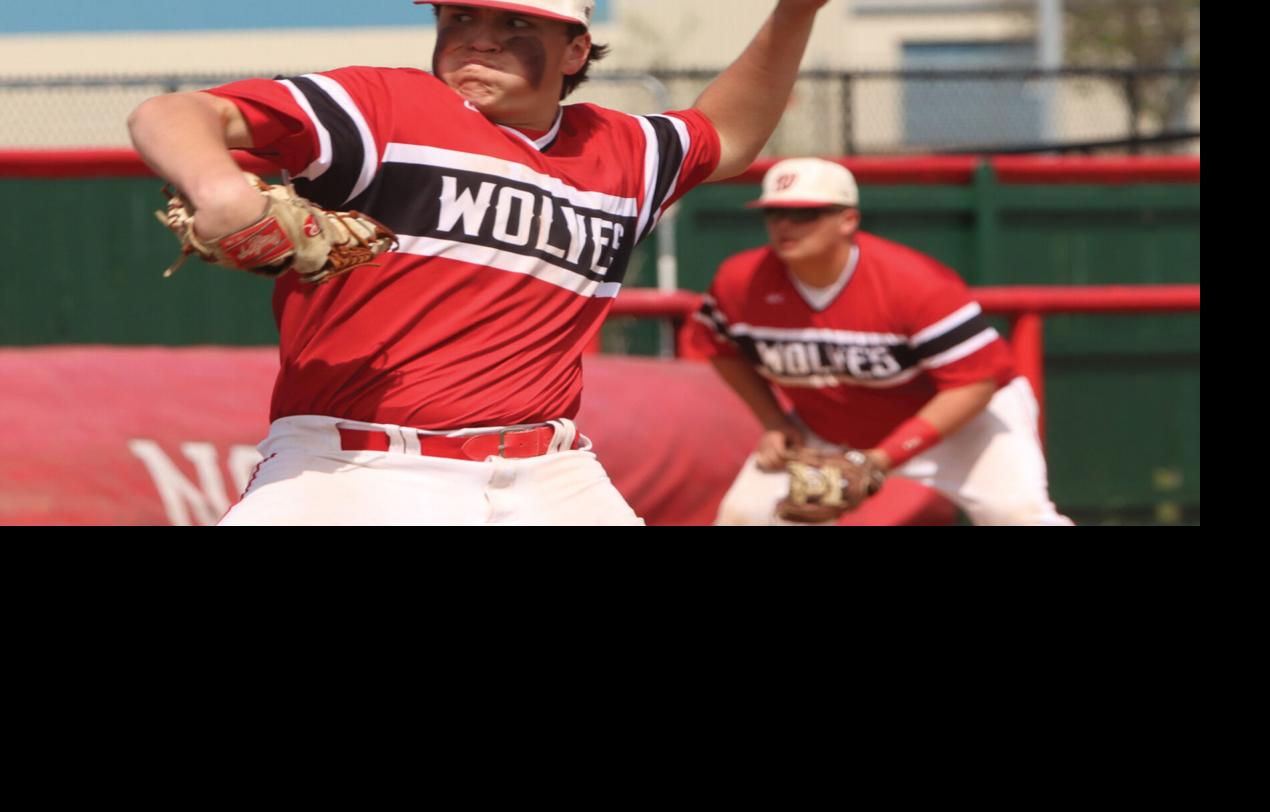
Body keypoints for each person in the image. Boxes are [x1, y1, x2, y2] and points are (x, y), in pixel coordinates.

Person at [125, 0, 832, 525]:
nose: (479, 38)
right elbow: (171, 112)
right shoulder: (386, 108)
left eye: (515, 24)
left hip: (552, 473)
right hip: (352, 467)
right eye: (459, 17)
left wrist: (797, 10)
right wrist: (217, 186)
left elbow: (730, 134)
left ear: (576, 49)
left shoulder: (627, 153)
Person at [687, 157, 1074, 526]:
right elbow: (718, 349)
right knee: (746, 515)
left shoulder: (912, 283)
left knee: (1019, 516)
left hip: (961, 427)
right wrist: (772, 420)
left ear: (848, 219)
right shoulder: (741, 282)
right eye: (774, 213)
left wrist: (880, 459)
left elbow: (975, 383)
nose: (785, 225)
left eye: (805, 214)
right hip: (829, 428)